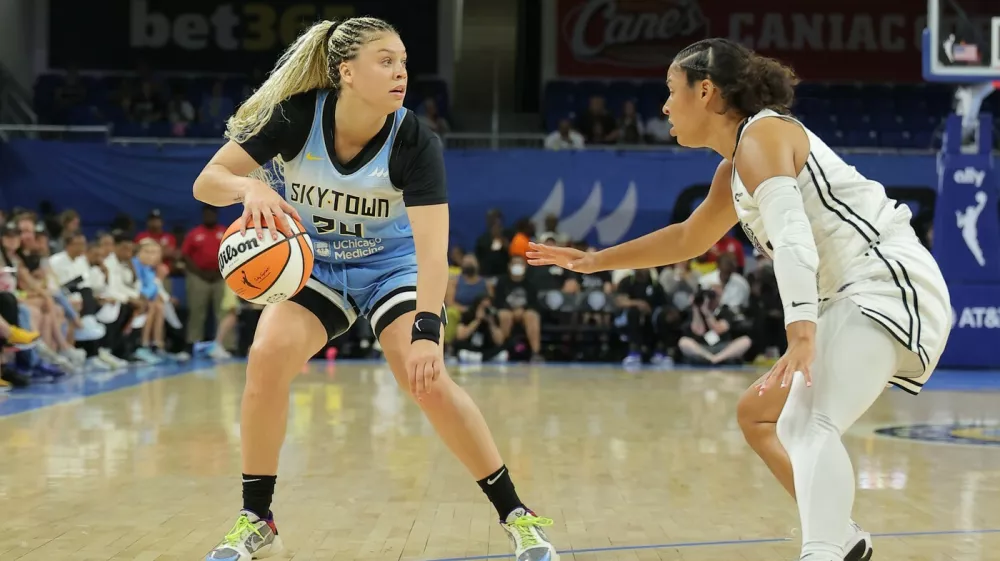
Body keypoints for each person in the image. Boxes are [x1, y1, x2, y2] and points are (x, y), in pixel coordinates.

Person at [527, 38, 952, 561]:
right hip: (853, 293)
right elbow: (687, 238)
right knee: (759, 416)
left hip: (886, 280)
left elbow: (793, 236)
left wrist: (801, 331)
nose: (663, 107)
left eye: (670, 91)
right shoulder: (735, 166)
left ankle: (822, 552)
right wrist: (594, 261)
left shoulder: (764, 135)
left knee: (806, 422)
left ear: (705, 91)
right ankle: (842, 537)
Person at [192, 17, 558, 561]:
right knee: (266, 355)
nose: (401, 73)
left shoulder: (414, 139)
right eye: (386, 61)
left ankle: (516, 513)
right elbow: (207, 181)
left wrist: (429, 334)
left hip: (393, 267)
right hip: (315, 265)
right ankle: (256, 518)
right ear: (346, 72)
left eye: (404, 62)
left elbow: (434, 253)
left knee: (424, 379)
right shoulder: (297, 116)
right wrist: (249, 187)